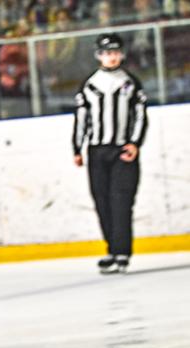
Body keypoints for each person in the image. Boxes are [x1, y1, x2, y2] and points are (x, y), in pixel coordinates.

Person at [72, 33, 148, 274]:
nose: (111, 57)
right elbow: (81, 119)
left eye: (115, 52)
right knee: (102, 200)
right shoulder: (90, 84)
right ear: (99, 56)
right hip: (97, 151)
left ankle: (122, 252)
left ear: (122, 54)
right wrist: (77, 148)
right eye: (106, 53)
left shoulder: (130, 83)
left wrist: (135, 143)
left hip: (123, 150)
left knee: (121, 201)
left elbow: (140, 116)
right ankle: (112, 249)